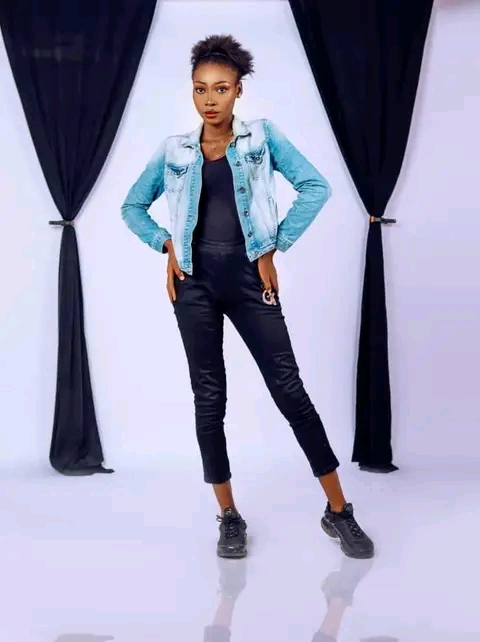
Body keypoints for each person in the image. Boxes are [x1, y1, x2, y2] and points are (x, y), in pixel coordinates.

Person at [121, 34, 374, 561]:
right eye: (200, 89)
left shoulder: (262, 138)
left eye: (221, 88)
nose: (209, 99)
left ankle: (338, 510)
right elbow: (132, 207)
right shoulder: (175, 150)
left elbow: (316, 187)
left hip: (248, 279)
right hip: (193, 285)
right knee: (209, 397)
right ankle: (229, 515)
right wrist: (166, 244)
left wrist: (271, 246)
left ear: (239, 90)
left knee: (289, 389)